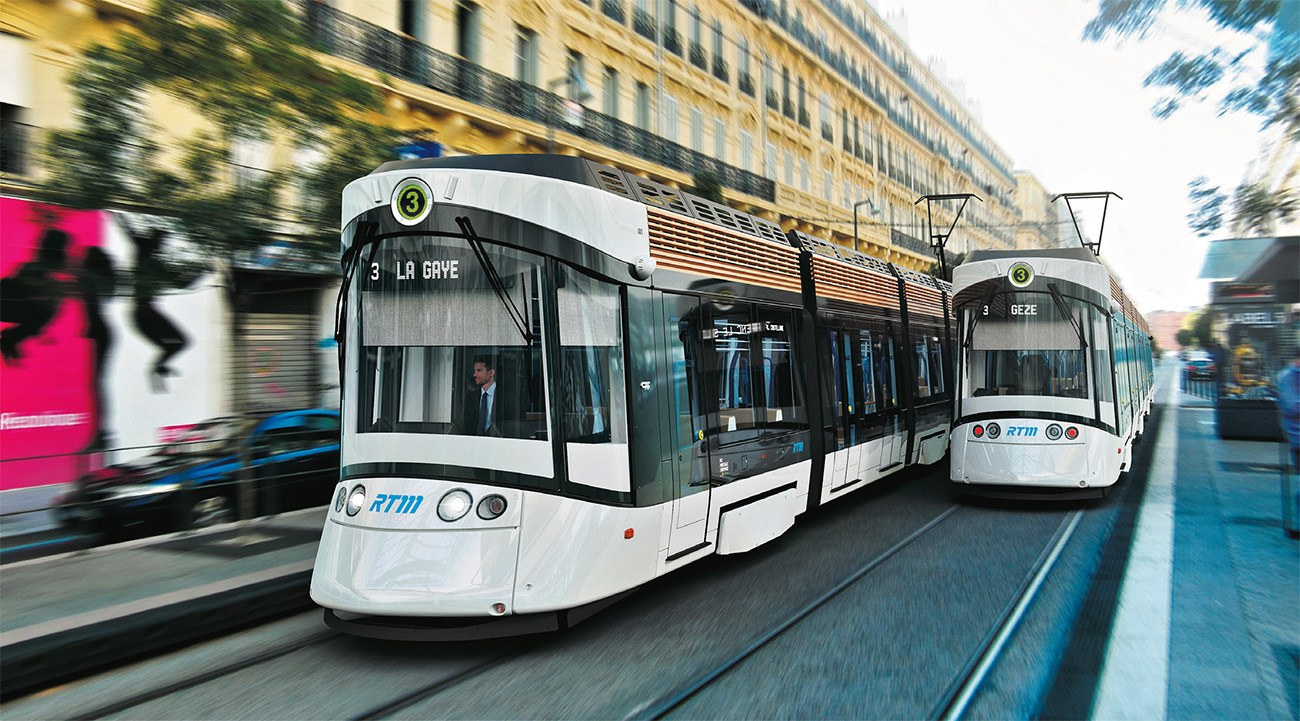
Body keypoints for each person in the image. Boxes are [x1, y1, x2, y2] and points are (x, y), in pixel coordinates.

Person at [465, 355, 509, 437]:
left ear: (491, 372)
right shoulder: (471, 398)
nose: (474, 374)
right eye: (474, 370)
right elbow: (468, 428)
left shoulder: (507, 397)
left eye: (479, 370)